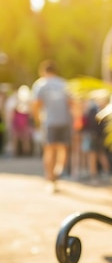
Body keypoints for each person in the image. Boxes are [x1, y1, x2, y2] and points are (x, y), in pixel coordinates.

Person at [32, 59, 73, 193]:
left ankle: (50, 178)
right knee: (63, 148)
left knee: (49, 150)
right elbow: (71, 103)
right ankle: (57, 172)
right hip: (64, 121)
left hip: (49, 122)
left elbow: (36, 105)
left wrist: (38, 120)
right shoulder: (63, 84)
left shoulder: (40, 84)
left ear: (43, 71)